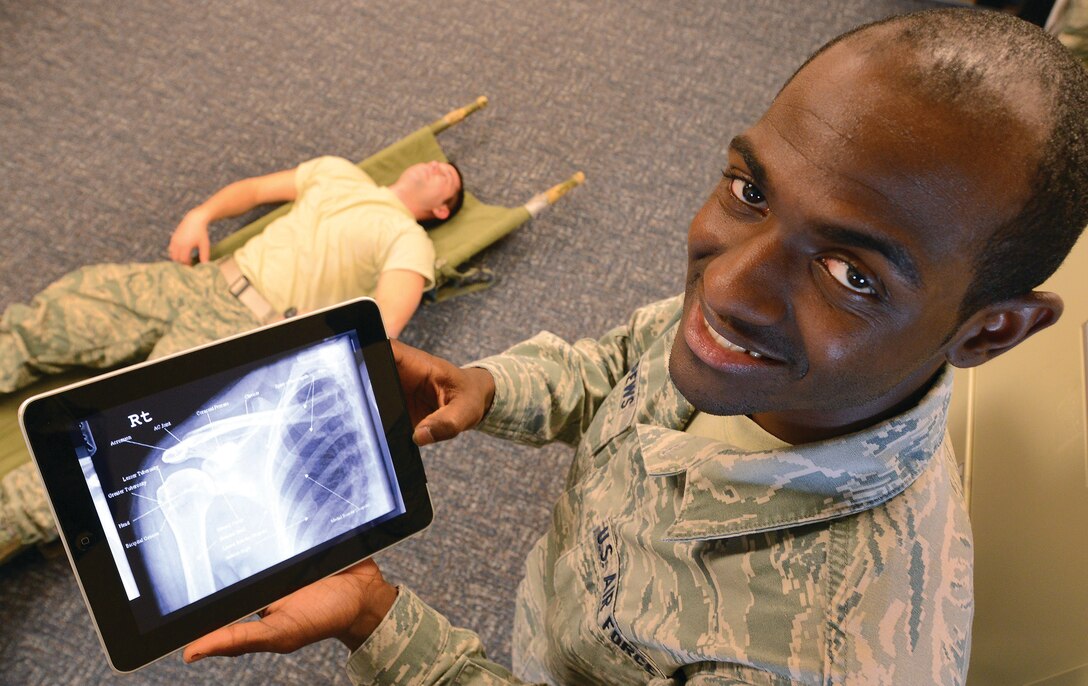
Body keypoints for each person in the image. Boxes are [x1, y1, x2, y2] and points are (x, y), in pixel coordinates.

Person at [190, 8, 1082, 684]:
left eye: (853, 275)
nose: (726, 286)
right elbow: (621, 363)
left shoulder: (808, 656)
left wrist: (377, 621)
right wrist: (492, 388)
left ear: (990, 329)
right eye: (750, 190)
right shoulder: (758, 332)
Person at [0, 155, 464, 561]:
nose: (438, 165)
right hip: (204, 281)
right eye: (439, 161)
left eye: (449, 177)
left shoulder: (409, 238)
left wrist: (313, 330)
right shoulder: (338, 172)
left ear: (440, 210)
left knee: (118, 443)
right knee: (65, 308)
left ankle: (9, 513)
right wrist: (200, 215)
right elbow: (256, 190)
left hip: (244, 332)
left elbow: (381, 327)